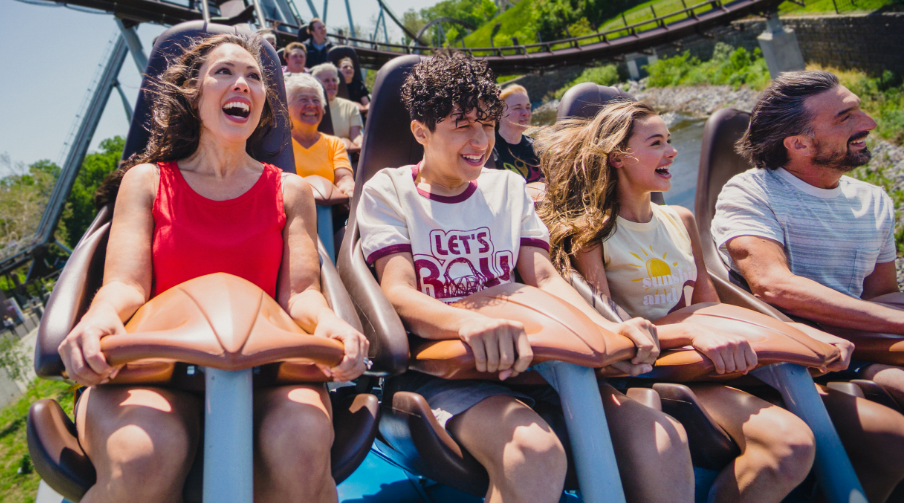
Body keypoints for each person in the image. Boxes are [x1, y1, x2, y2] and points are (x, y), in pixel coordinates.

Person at [358, 51, 694, 503]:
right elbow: (397, 292)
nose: (480, 140)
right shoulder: (390, 190)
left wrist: (608, 325)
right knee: (533, 452)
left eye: (488, 124)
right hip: (444, 372)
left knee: (661, 438)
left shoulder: (508, 188)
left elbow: (546, 279)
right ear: (421, 131)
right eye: (462, 125)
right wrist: (468, 323)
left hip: (538, 363)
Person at [61, 34, 369, 503]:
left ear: (265, 104)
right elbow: (125, 285)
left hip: (264, 373)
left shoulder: (292, 191)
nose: (241, 83)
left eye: (253, 77)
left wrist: (333, 326)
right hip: (157, 371)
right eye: (224, 72)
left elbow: (302, 294)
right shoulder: (146, 182)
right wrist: (100, 319)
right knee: (143, 454)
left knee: (303, 448)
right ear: (192, 92)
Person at [711, 70, 904, 501]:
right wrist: (895, 323)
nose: (869, 122)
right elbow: (774, 286)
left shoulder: (873, 200)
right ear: (798, 144)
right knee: (894, 442)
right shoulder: (751, 193)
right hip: (792, 359)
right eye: (846, 117)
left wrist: (890, 316)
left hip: (858, 347)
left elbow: (880, 295)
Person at [285, 73, 354, 198]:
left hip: (330, 210)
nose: (311, 105)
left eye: (316, 100)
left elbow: (344, 178)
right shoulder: (279, 144)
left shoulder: (335, 143)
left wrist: (349, 189)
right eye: (303, 99)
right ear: (287, 108)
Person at [492, 84, 542, 183]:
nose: (525, 113)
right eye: (517, 108)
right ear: (499, 114)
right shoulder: (489, 149)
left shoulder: (537, 148)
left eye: (528, 108)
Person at [311, 62, 363, 149]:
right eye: (327, 80)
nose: (332, 84)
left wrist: (361, 143)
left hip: (344, 154)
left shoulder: (350, 106)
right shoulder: (309, 107)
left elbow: (356, 136)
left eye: (334, 80)